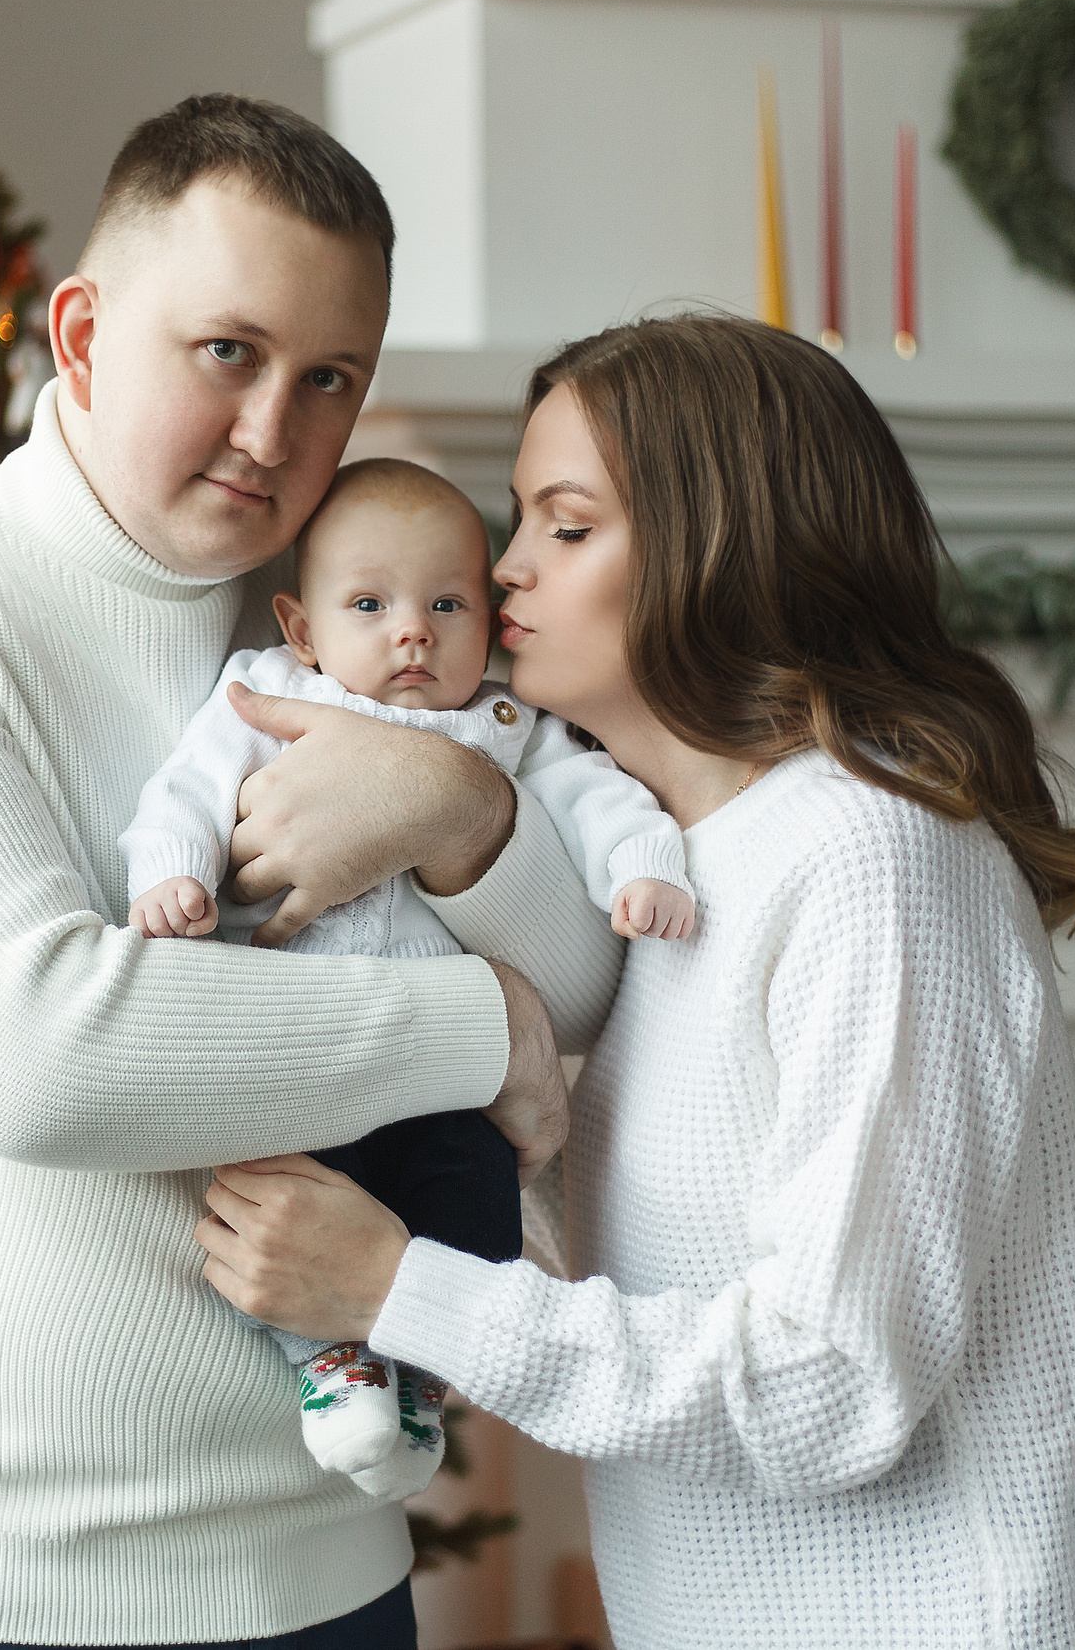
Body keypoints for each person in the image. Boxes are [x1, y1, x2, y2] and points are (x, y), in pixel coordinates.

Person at [0, 96, 618, 1649]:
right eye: (228, 353)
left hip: (329, 1590)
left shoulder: (340, 630)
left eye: (330, 377)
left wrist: (445, 797)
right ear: (79, 334)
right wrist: (485, 1031)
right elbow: (38, 1047)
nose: (276, 430)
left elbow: (592, 971)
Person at [197, 314, 1075, 1648]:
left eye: (565, 527)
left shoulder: (878, 857)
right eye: (518, 516)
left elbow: (833, 1381)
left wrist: (400, 1287)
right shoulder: (670, 864)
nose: (501, 567)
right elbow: (672, 1283)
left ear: (724, 555)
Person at [121, 458, 690, 1502]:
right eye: (370, 605)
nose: (413, 633)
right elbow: (186, 791)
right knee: (274, 1198)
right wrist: (172, 871)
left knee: (470, 1200)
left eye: (446, 604)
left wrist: (643, 865)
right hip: (295, 1051)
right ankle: (329, 1367)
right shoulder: (266, 695)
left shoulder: (508, 728)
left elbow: (598, 795)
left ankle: (420, 1376)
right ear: (301, 628)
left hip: (444, 1082)